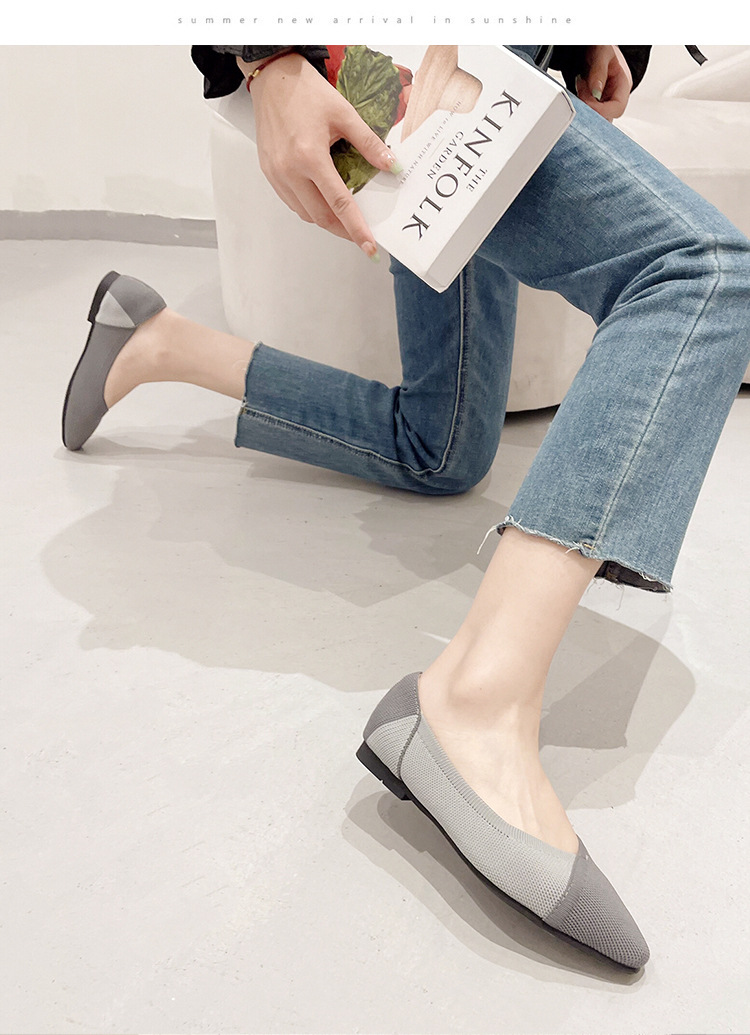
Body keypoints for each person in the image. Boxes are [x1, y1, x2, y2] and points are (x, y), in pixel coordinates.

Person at [61, 44, 750, 970]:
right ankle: (477, 700)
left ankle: (161, 342)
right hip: (387, 55)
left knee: (443, 446)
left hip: (486, 81)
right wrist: (270, 58)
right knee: (700, 271)